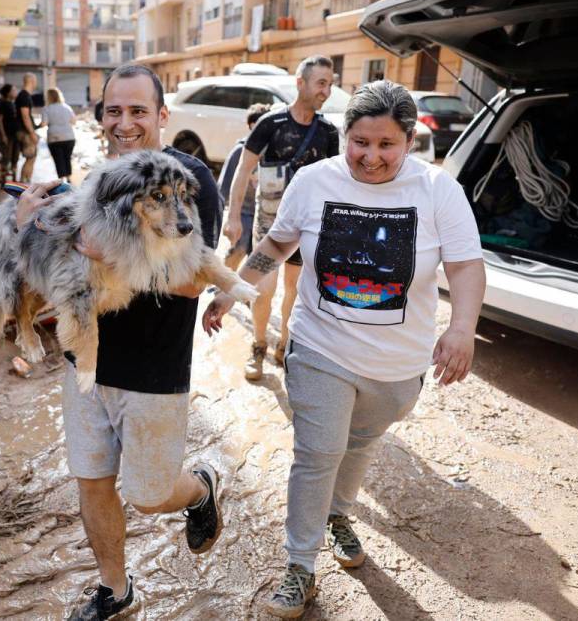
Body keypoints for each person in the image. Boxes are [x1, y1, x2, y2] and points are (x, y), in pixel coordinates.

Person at [203, 80, 486, 618]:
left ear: (408, 142)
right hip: (319, 345)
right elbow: (277, 243)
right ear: (344, 136)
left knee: (358, 443)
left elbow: (466, 263)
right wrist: (233, 288)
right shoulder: (313, 181)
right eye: (360, 142)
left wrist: (462, 327)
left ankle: (338, 515)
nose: (371, 157)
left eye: (386, 146)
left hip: (398, 365)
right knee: (318, 453)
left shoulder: (436, 190)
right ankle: (300, 567)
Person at [15, 63, 224, 621]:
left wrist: (115, 255)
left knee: (149, 494)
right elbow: (60, 270)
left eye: (138, 110)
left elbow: (190, 281)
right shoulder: (98, 181)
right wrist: (28, 226)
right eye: (114, 110)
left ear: (162, 115)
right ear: (99, 116)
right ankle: (116, 590)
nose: (125, 122)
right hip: (85, 364)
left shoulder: (191, 182)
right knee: (92, 483)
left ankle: (200, 489)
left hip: (155, 369)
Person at [225, 56, 340, 381]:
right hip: (270, 225)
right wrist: (233, 217)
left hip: (307, 229)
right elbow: (243, 169)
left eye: (330, 84)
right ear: (300, 83)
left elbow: (334, 184)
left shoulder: (328, 132)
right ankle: (259, 345)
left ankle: (285, 343)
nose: (326, 90)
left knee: (295, 289)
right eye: (321, 83)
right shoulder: (271, 124)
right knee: (263, 288)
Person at [217, 102, 271, 269]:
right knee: (238, 249)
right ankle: (223, 281)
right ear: (250, 126)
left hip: (264, 213)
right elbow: (224, 185)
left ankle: (249, 289)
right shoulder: (240, 151)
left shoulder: (273, 153)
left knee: (256, 255)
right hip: (243, 212)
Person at [38, 88, 77, 181]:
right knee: (67, 158)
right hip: (69, 137)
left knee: (58, 159)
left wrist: (36, 126)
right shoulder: (67, 107)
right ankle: (69, 178)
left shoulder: (46, 109)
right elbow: (74, 121)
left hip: (54, 138)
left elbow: (44, 123)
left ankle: (62, 180)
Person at [15, 72, 39, 182]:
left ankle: (25, 182)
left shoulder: (23, 95)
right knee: (31, 157)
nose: (36, 83)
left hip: (24, 131)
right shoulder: (24, 96)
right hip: (25, 132)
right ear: (31, 81)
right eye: (35, 81)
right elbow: (25, 116)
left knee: (31, 157)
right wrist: (32, 133)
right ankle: (24, 183)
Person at [0, 84, 19, 182]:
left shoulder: (12, 103)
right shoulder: (2, 103)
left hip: (15, 135)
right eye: (13, 90)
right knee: (6, 157)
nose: (15, 92)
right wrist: (3, 135)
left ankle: (14, 179)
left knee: (15, 156)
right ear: (8, 93)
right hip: (7, 135)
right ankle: (4, 180)